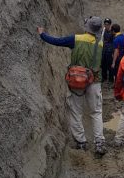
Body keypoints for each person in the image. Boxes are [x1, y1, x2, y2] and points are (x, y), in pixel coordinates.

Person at [37, 16, 107, 156]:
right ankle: (99, 142)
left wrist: (42, 34)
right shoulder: (100, 44)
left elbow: (56, 41)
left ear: (87, 27)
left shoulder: (76, 39)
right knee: (96, 112)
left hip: (77, 80)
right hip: (94, 81)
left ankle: (81, 142)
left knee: (76, 111)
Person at [100, 18, 115, 85]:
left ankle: (111, 79)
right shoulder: (103, 31)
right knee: (103, 64)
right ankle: (104, 78)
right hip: (104, 50)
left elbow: (114, 43)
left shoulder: (112, 32)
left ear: (110, 25)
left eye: (107, 24)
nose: (106, 25)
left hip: (110, 51)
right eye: (105, 24)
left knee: (110, 65)